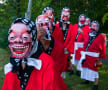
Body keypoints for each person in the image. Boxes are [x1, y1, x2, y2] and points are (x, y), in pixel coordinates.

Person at [2, 18, 68, 90]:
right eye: (12, 37)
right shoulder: (15, 60)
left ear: (33, 37)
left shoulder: (47, 64)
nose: (17, 40)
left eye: (25, 37)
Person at [80, 21, 106, 90]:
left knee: (94, 70)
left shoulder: (100, 36)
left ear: (97, 28)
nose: (93, 28)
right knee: (85, 68)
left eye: (95, 26)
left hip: (94, 56)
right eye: (92, 26)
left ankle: (96, 85)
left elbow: (102, 47)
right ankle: (87, 80)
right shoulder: (88, 34)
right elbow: (85, 44)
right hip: (86, 55)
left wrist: (100, 57)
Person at [55, 7, 75, 77]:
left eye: (67, 15)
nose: (65, 16)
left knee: (63, 68)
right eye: (64, 14)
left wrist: (67, 48)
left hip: (65, 51)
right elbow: (54, 38)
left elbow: (72, 39)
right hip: (57, 50)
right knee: (55, 67)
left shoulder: (71, 27)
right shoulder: (56, 26)